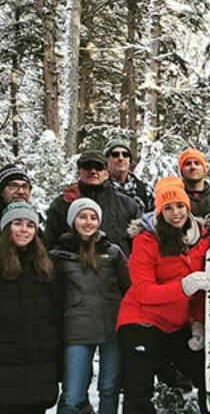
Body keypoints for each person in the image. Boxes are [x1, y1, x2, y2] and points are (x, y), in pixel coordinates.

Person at [117, 177, 210, 414]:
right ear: (159, 212)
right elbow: (142, 290)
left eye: (179, 206)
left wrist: (198, 324)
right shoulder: (147, 240)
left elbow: (203, 289)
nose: (175, 213)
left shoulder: (202, 240)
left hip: (177, 325)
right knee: (138, 390)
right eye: (167, 208)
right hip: (141, 320)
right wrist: (182, 287)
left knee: (207, 378)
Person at [51, 199, 129, 414]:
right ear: (73, 220)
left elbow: (128, 286)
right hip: (77, 330)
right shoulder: (59, 255)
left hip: (111, 327)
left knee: (109, 387)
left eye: (93, 218)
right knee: (72, 394)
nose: (88, 222)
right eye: (82, 217)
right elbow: (54, 296)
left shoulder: (112, 252)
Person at [0, 202, 61, 414]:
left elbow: (57, 312)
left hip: (39, 363)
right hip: (6, 363)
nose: (24, 230)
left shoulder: (45, 265)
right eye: (17, 223)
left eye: (30, 225)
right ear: (7, 227)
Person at [45, 150, 141, 253]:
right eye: (87, 166)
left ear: (106, 173)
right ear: (79, 171)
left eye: (98, 167)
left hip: (114, 266)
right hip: (72, 265)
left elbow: (140, 245)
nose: (93, 171)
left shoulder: (127, 205)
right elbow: (49, 243)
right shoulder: (62, 203)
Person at [104, 139, 154, 213]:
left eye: (125, 154)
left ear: (129, 160)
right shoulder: (99, 189)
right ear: (106, 160)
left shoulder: (145, 190)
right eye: (115, 154)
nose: (121, 158)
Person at [177, 148, 210, 222]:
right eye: (188, 164)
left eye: (197, 163)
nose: (193, 167)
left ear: (204, 169)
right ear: (181, 171)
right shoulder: (176, 199)